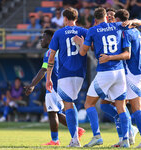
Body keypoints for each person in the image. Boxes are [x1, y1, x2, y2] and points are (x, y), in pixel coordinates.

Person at [73, 7, 139, 148]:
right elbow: (137, 23)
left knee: (89, 104)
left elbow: (83, 53)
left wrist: (80, 43)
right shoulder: (116, 26)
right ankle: (126, 140)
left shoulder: (93, 30)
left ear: (95, 19)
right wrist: (132, 21)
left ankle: (97, 136)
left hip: (105, 72)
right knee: (121, 107)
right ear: (106, 17)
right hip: (120, 72)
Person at [99, 9, 141, 148]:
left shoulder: (125, 32)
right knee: (116, 104)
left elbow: (127, 55)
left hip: (132, 73)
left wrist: (110, 57)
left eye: (114, 18)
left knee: (135, 107)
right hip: (138, 71)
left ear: (118, 20)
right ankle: (127, 135)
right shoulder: (136, 31)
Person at [25, 29, 85, 145]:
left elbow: (43, 70)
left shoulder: (50, 52)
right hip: (60, 84)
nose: (41, 40)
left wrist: (32, 85)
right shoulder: (59, 50)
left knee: (52, 112)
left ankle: (55, 140)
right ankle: (76, 129)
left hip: (53, 85)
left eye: (43, 38)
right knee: (56, 112)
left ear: (50, 39)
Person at [46, 7, 88, 147]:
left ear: (65, 18)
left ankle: (75, 139)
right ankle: (76, 135)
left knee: (68, 105)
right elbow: (92, 47)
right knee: (71, 103)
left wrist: (48, 78)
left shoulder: (58, 33)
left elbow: (51, 56)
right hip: (80, 74)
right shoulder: (84, 31)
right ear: (76, 18)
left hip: (65, 74)